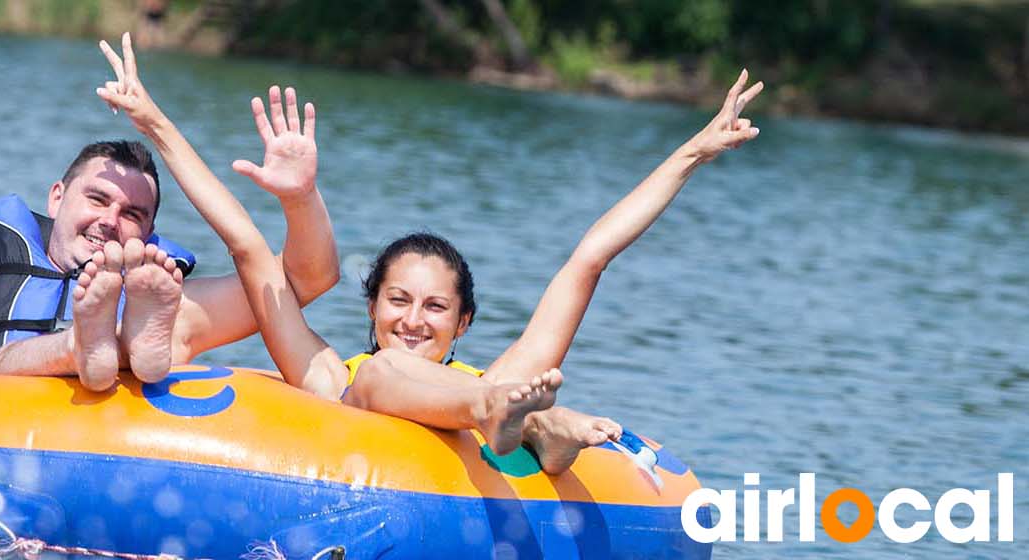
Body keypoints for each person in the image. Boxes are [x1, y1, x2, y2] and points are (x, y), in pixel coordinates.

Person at [93, 34, 763, 473]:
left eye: (436, 307)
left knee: (485, 390)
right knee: (384, 376)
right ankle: (534, 430)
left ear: (462, 323)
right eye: (400, 300)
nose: (414, 320)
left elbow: (589, 259)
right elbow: (247, 248)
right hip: (484, 407)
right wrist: (155, 122)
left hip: (495, 403)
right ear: (374, 306)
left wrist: (691, 153)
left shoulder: (501, 376)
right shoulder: (329, 375)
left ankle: (541, 431)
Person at [0, 63, 340, 391]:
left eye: (132, 216)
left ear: (147, 239)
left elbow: (300, 284)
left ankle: (113, 345)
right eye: (97, 199)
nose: (109, 221)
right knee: (78, 345)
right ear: (57, 197)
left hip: (98, 466)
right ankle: (85, 346)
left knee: (156, 322)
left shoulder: (165, 298)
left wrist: (300, 199)